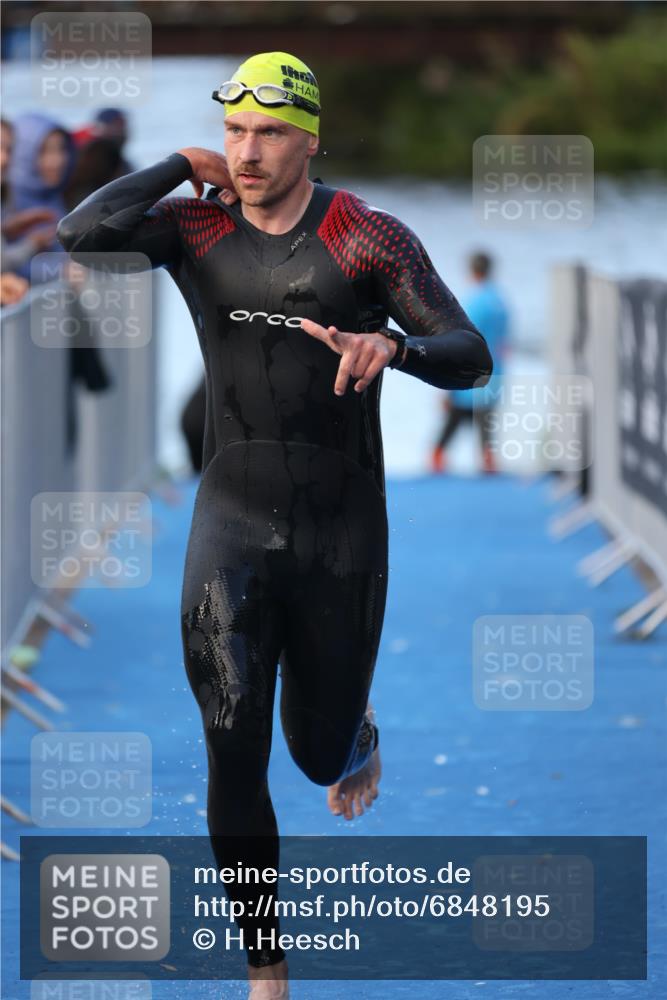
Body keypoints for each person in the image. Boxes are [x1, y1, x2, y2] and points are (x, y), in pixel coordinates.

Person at [57, 51, 492, 999]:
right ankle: (266, 966)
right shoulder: (195, 224)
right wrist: (179, 163)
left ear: (311, 141)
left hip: (342, 526)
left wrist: (393, 346)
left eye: (271, 133)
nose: (248, 153)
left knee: (313, 752)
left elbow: (470, 355)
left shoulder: (365, 236)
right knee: (230, 733)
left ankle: (354, 732)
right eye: (235, 132)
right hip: (230, 513)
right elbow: (81, 232)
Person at [430, 250, 509, 474]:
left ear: (472, 270)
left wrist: (445, 385)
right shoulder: (501, 303)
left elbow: (460, 341)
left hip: (469, 374)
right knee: (485, 424)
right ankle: (488, 464)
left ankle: (436, 461)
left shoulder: (473, 302)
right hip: (494, 374)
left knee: (454, 418)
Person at [6, 112, 76, 283]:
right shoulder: (7, 200)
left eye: (62, 149)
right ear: (21, 152)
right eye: (45, 151)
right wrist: (63, 271)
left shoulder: (52, 196)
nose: (58, 160)